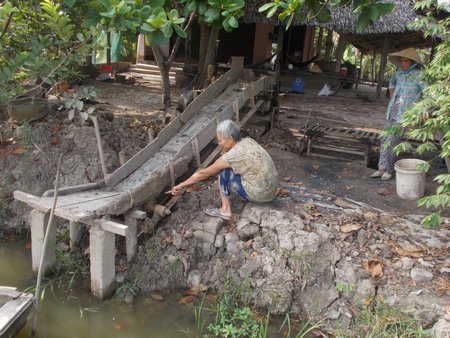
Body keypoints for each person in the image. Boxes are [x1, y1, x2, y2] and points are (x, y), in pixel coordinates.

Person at [167, 119, 280, 220]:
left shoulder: (233, 155)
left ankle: (225, 210)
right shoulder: (248, 141)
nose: (219, 144)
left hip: (261, 194)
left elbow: (203, 173)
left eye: (220, 141)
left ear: (230, 139)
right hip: (271, 190)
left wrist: (181, 185)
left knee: (224, 172)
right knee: (230, 169)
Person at [371, 48, 425, 180]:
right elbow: (392, 82)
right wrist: (391, 93)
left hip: (405, 114)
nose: (402, 63)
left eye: (405, 61)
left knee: (393, 141)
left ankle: (389, 170)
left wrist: (422, 110)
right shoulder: (399, 73)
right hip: (392, 111)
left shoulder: (420, 76)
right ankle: (381, 168)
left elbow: (427, 93)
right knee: (384, 139)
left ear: (412, 62)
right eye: (401, 61)